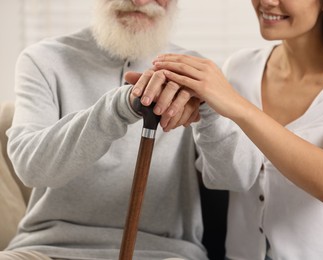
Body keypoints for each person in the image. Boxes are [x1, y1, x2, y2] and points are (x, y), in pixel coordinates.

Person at [129, 0, 323, 259]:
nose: (267, 2)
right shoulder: (240, 68)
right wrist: (199, 111)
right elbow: (224, 174)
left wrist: (235, 105)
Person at [2, 0, 254, 259]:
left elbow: (238, 178)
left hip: (163, 253)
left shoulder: (197, 72)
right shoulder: (44, 59)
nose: (140, 1)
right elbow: (31, 169)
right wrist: (119, 107)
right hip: (45, 248)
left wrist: (211, 110)